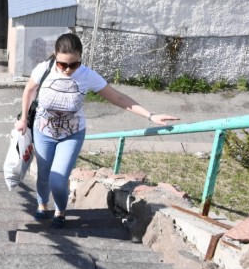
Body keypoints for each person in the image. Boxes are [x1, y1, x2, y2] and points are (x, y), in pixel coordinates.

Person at [14, 33, 179, 230]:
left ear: (80, 59)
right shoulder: (43, 69)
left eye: (73, 65)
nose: (67, 70)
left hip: (72, 134)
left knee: (57, 180)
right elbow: (29, 91)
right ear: (55, 56)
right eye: (62, 64)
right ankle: (42, 203)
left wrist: (151, 116)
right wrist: (23, 119)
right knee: (43, 174)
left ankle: (60, 210)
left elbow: (118, 98)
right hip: (43, 131)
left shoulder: (87, 75)